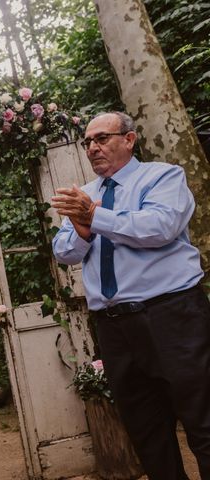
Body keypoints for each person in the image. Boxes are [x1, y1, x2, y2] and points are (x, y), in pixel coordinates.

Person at [51, 111, 210, 480]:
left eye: (102, 138)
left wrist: (96, 217)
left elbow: (161, 226)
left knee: (203, 422)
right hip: (114, 328)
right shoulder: (84, 196)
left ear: (129, 139)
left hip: (171, 316)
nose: (93, 148)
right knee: (147, 435)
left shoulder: (162, 176)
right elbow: (64, 251)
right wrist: (83, 228)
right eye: (88, 142)